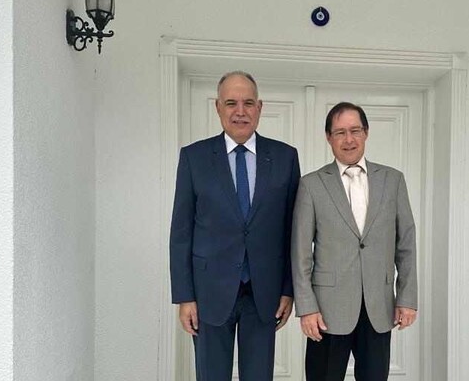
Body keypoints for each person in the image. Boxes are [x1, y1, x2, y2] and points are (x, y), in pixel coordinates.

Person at [170, 71, 300, 381]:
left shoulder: (285, 157)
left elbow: (292, 231)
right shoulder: (194, 158)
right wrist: (185, 296)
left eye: (248, 103)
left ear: (259, 108)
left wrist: (288, 289)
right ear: (218, 107)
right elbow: (181, 232)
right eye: (231, 103)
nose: (240, 111)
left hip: (264, 293)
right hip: (209, 293)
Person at [291, 102, 418, 381]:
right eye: (340, 132)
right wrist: (307, 307)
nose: (348, 139)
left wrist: (407, 298)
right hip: (327, 311)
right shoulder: (311, 185)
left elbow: (406, 244)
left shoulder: (393, 180)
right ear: (328, 137)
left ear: (366, 133)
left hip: (378, 307)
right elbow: (300, 253)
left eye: (355, 130)